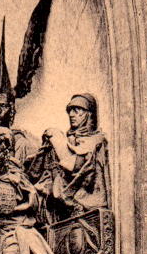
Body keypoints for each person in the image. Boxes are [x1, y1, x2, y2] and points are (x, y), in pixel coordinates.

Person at [27, 94, 111, 222]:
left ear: (89, 114)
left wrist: (57, 140)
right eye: (70, 111)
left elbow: (74, 166)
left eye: (77, 111)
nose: (71, 115)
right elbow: (34, 174)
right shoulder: (69, 142)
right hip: (60, 212)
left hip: (84, 210)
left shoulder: (96, 140)